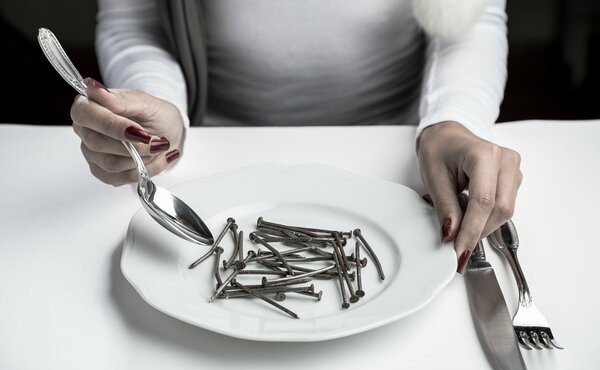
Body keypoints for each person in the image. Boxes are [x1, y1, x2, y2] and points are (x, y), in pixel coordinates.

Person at [70, 0, 522, 273]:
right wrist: (157, 105)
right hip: (213, 152)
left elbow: (471, 20)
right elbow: (136, 19)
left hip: (397, 155)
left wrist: (453, 121)